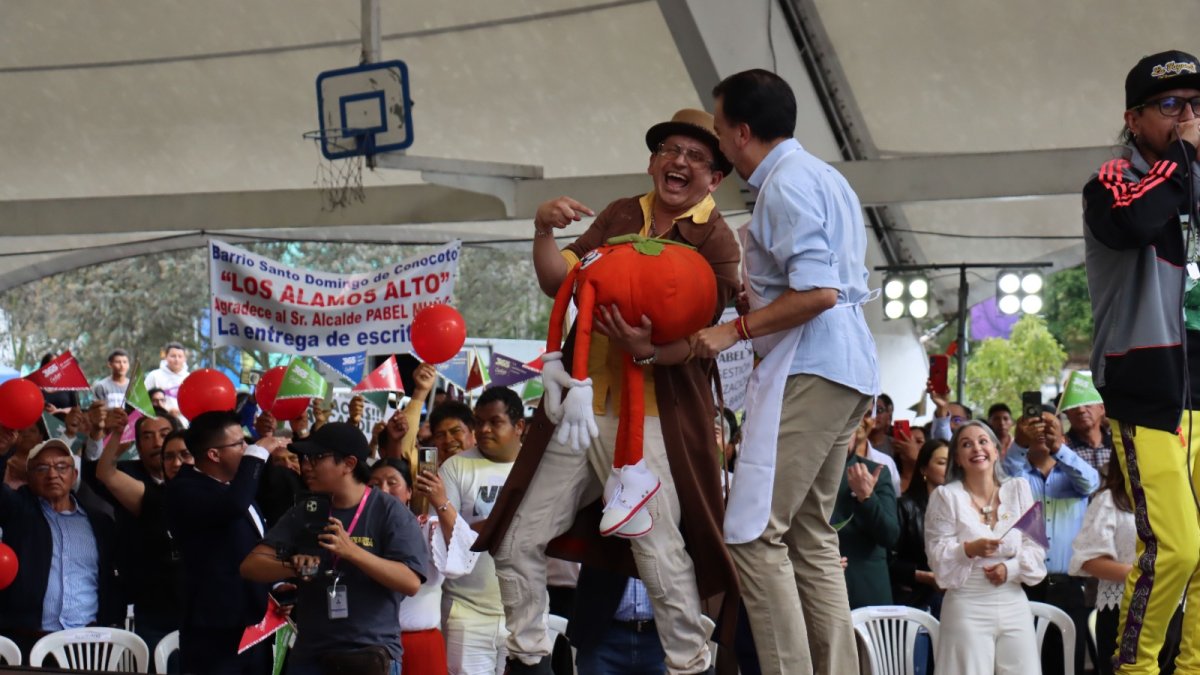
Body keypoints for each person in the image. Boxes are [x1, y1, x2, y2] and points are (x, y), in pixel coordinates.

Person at [476, 107, 741, 675]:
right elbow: (558, 281)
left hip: (652, 420)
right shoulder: (622, 212)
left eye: (697, 156)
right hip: (580, 409)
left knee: (658, 550)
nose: (681, 162)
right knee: (517, 539)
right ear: (653, 161)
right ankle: (528, 658)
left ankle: (689, 665)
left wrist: (649, 349)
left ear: (715, 178)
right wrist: (543, 228)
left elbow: (703, 339)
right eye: (671, 150)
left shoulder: (717, 239)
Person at [687, 69, 879, 675]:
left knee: (750, 533)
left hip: (813, 362)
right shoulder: (824, 176)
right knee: (808, 534)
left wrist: (733, 330)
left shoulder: (785, 187)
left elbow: (819, 291)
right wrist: (759, 306)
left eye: (718, 130)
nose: (718, 141)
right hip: (844, 362)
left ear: (742, 132)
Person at [1082, 48, 1200, 675]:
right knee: (1176, 550)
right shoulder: (1112, 181)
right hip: (1150, 393)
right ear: (1133, 118)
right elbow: (1135, 222)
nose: (1187, 117)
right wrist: (1184, 156)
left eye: (1198, 106)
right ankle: (1134, 669)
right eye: (1172, 105)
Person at [241, 423, 427, 675]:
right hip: (309, 655)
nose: (307, 466)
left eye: (317, 458)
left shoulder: (390, 512)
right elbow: (251, 566)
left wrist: (352, 551)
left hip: (369, 655)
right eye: (305, 458)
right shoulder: (307, 510)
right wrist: (294, 564)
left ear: (349, 464)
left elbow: (410, 582)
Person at [166, 410, 284, 674]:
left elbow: (253, 543)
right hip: (214, 631)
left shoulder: (235, 487)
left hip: (254, 624)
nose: (247, 448)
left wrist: (278, 583)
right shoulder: (185, 489)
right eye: (239, 444)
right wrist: (258, 454)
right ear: (213, 454)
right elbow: (232, 508)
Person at [924, 421, 1046, 674]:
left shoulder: (1019, 489)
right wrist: (968, 550)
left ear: (996, 449)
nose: (976, 448)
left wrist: (1010, 568)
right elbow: (936, 557)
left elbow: (1037, 549)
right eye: (966, 444)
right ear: (957, 458)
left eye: (982, 441)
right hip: (966, 604)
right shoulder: (946, 496)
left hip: (1014, 602)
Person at [421, 386, 526, 675]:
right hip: (466, 611)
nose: (484, 429)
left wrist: (476, 528)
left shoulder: (537, 467)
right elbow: (442, 539)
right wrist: (499, 524)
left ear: (519, 426)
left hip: (525, 610)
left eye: (495, 422)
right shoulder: (455, 467)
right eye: (479, 422)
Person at [0, 436, 123, 656]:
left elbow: (111, 578)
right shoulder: (18, 510)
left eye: (61, 466)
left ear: (74, 475)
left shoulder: (99, 522)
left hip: (87, 644)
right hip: (27, 642)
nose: (52, 474)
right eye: (42, 468)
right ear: (29, 477)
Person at [1004, 412, 1101, 675]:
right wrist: (1019, 445)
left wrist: (1058, 446)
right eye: (1033, 427)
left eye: (1048, 426)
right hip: (1023, 584)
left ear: (1063, 436)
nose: (1040, 432)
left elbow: (1091, 482)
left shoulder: (1074, 474)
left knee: (1069, 664)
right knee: (1025, 664)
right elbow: (1001, 480)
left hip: (1069, 585)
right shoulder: (1017, 477)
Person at [1071, 452, 1184, 675]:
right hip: (1124, 609)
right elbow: (1089, 560)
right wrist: (1144, 574)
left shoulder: (1176, 499)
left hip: (1175, 608)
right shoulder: (1109, 500)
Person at [370, 456, 477, 675]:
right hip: (370, 645)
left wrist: (441, 502)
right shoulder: (356, 531)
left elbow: (465, 554)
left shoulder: (428, 526)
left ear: (409, 491)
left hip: (420, 645)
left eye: (392, 483)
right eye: (374, 484)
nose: (383, 489)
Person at [835, 424, 898, 609]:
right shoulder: (803, 474)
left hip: (865, 591)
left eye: (849, 430)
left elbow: (890, 536)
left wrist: (866, 497)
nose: (842, 437)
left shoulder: (873, 471)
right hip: (814, 587)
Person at [890, 439, 949, 613]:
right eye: (942, 462)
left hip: (957, 598)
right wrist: (924, 577)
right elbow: (889, 560)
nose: (950, 468)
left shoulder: (965, 507)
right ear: (923, 469)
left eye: (953, 462)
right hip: (917, 600)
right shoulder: (905, 506)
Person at [1064, 402, 1113, 478]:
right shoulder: (1062, 449)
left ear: (1101, 408)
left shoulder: (1118, 444)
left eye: (1087, 404)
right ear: (1066, 412)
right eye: (1074, 405)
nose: (1081, 410)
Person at [144, 342, 189, 416]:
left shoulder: (189, 378)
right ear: (166, 357)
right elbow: (145, 400)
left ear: (185, 358)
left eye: (180, 356)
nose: (176, 359)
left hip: (185, 422)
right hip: (160, 419)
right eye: (173, 356)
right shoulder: (154, 376)